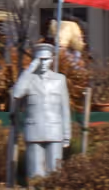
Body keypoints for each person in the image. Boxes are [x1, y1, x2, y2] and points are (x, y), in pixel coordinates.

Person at [9, 41, 71, 180]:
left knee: (55, 171)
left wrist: (66, 134)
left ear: (52, 59)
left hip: (54, 131)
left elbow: (64, 109)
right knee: (35, 173)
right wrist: (30, 69)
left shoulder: (59, 79)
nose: (43, 63)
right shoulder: (28, 79)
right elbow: (16, 94)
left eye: (46, 59)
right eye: (40, 60)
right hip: (34, 130)